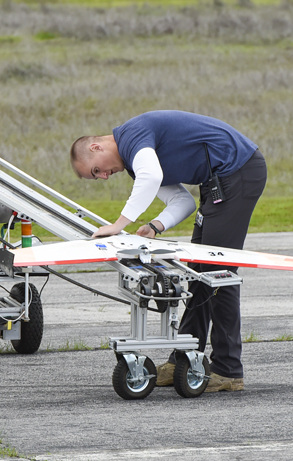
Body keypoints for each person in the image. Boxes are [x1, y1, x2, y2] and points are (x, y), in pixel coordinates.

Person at [70, 110, 266, 392]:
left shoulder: (132, 135)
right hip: (218, 183)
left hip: (239, 171)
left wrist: (118, 225)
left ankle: (228, 369)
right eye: (96, 177)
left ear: (96, 147)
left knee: (219, 272)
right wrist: (155, 225)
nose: (103, 177)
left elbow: (152, 176)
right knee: (198, 270)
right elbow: (182, 201)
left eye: (95, 171)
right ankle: (183, 359)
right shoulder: (136, 159)